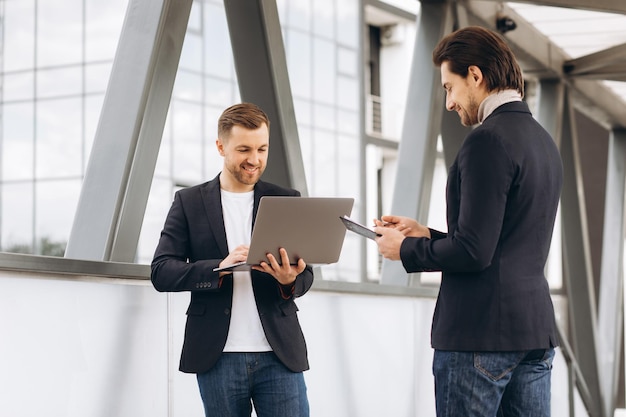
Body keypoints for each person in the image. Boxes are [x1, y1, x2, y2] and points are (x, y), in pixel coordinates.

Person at [373, 26, 563, 417]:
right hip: (532, 332)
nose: (448, 103)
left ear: (475, 75)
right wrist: (428, 234)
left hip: (480, 336)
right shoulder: (542, 141)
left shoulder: (486, 140)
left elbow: (474, 252)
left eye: (449, 87)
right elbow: (501, 242)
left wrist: (405, 249)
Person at [151, 102, 313, 417]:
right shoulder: (189, 202)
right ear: (220, 146)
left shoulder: (286, 200)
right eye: (243, 150)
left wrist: (289, 279)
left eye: (262, 149)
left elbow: (307, 276)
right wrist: (218, 269)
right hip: (217, 356)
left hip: (279, 354)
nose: (254, 160)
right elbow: (161, 271)